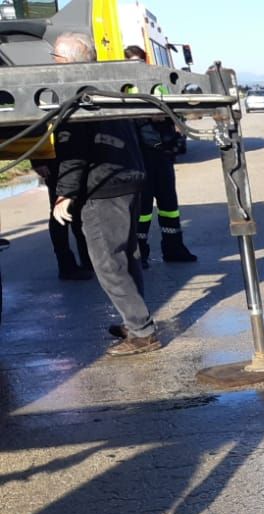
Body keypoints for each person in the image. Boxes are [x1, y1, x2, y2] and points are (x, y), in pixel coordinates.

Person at [50, 33, 160, 356]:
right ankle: (134, 321)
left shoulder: (75, 95)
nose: (51, 63)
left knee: (108, 263)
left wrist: (64, 194)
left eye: (54, 57)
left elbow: (74, 149)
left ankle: (142, 332)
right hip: (127, 179)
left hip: (102, 188)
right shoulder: (107, 85)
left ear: (67, 62)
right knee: (127, 256)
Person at [124, 45, 197, 266]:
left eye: (140, 60)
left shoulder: (158, 82)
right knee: (143, 207)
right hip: (141, 152)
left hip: (162, 151)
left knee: (169, 204)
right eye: (133, 62)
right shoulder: (125, 85)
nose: (138, 65)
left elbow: (172, 107)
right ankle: (140, 254)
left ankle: (174, 248)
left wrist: (165, 116)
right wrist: (148, 114)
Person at [28, 154, 93, 280]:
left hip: (76, 160)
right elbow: (36, 134)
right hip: (56, 163)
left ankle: (88, 260)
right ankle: (67, 266)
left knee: (79, 212)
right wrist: (37, 161)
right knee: (60, 213)